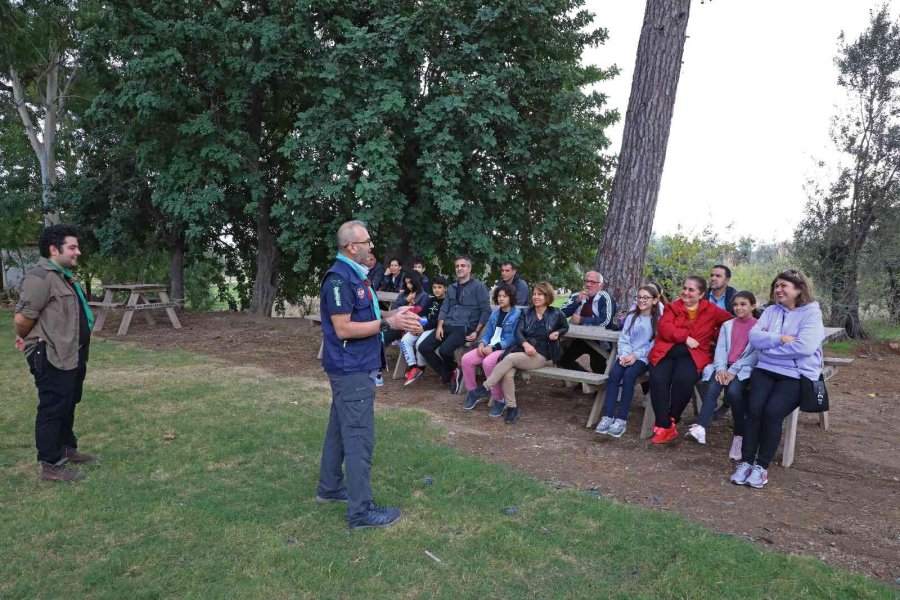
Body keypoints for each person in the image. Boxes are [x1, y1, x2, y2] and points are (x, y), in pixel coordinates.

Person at [316, 220, 421, 529]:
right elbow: (344, 327)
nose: (371, 246)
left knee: (338, 428)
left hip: (354, 367)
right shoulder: (339, 280)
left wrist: (394, 316)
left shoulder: (356, 276)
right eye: (367, 242)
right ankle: (360, 512)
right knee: (359, 436)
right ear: (352, 246)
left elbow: (370, 317)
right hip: (351, 370)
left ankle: (330, 488)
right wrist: (389, 325)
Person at [13, 224, 98, 482]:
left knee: (69, 401)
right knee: (52, 406)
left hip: (72, 353)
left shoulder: (62, 275)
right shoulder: (40, 277)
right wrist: (30, 340)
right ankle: (50, 464)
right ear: (54, 249)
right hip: (51, 354)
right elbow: (23, 318)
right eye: (72, 247)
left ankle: (66, 448)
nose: (78, 252)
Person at [730, 270, 825, 489]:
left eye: (784, 286)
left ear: (799, 289)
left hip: (795, 375)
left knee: (772, 414)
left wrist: (769, 347)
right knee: (753, 411)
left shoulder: (811, 314)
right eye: (776, 286)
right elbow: (754, 337)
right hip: (765, 370)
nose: (779, 290)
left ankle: (761, 467)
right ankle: (745, 462)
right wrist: (781, 339)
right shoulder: (771, 311)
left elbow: (806, 347)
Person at [465, 282, 569, 424]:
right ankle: (512, 408)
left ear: (547, 296)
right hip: (522, 351)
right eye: (534, 294)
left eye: (540, 294)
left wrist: (557, 332)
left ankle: (483, 388)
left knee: (509, 358)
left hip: (540, 355)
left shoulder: (556, 313)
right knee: (507, 374)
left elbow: (565, 326)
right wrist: (525, 344)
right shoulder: (526, 312)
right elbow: (518, 332)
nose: (536, 297)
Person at [647, 275, 732, 444]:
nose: (686, 292)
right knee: (658, 379)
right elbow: (664, 327)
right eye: (684, 288)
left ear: (701, 294)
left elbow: (731, 321)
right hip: (667, 351)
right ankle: (665, 425)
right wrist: (685, 337)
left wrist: (715, 335)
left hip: (693, 354)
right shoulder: (673, 307)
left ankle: (670, 420)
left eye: (691, 289)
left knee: (683, 380)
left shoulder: (711, 310)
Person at [686, 291, 760, 451]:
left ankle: (739, 436)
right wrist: (720, 368)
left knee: (734, 393)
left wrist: (733, 369)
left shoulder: (759, 327)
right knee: (712, 388)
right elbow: (721, 348)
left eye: (743, 304)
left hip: (743, 369)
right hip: (724, 367)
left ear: (753, 306)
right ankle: (701, 428)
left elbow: (756, 354)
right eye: (735, 305)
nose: (738, 308)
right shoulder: (728, 325)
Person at [595, 286, 661, 438]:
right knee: (614, 374)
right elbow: (624, 338)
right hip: (626, 354)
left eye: (646, 298)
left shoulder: (657, 320)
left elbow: (653, 345)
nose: (641, 301)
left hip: (643, 358)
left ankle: (622, 419)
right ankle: (608, 415)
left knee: (629, 375)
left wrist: (635, 355)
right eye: (639, 297)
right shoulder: (632, 316)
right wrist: (624, 354)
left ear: (655, 300)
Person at [418, 256, 491, 393]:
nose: (459, 268)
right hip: (448, 324)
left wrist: (476, 331)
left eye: (463, 266)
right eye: (457, 266)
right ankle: (451, 373)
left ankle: (450, 374)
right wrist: (439, 326)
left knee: (445, 350)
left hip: (465, 327)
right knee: (424, 347)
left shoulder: (479, 287)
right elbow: (444, 308)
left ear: (469, 268)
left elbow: (486, 310)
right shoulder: (451, 287)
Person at [461, 283, 521, 411]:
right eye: (499, 296)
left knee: (488, 363)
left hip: (505, 349)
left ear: (511, 298)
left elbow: (513, 338)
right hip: (490, 345)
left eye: (505, 296)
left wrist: (493, 348)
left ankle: (499, 399)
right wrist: (482, 343)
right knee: (466, 359)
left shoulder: (517, 314)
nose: (501, 299)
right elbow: (488, 332)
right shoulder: (495, 313)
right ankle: (473, 393)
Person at [558, 271, 615, 373]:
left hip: (600, 340)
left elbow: (605, 321)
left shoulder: (605, 298)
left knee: (598, 367)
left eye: (592, 282)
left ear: (600, 285)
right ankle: (583, 381)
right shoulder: (577, 296)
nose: (588, 285)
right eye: (587, 281)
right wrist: (577, 302)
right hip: (579, 339)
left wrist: (582, 320)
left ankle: (599, 387)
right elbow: (559, 314)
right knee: (562, 359)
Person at [401, 276, 448, 384]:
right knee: (405, 340)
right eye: (434, 287)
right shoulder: (431, 300)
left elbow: (439, 321)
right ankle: (413, 366)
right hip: (422, 326)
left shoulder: (447, 303)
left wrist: (423, 328)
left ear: (445, 288)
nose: (436, 290)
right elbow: (422, 314)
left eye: (439, 287)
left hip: (433, 329)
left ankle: (420, 367)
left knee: (419, 344)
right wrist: (415, 326)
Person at [382, 270, 431, 347]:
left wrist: (409, 305)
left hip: (407, 326)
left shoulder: (424, 296)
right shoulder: (404, 294)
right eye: (406, 283)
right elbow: (393, 308)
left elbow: (419, 314)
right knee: (379, 333)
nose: (408, 285)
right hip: (396, 322)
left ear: (416, 282)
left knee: (384, 336)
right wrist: (406, 300)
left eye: (410, 283)